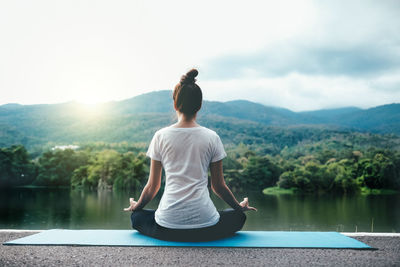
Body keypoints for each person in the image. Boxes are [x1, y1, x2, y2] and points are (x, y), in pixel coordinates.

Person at [124, 69, 256, 242]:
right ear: (199, 105)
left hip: (167, 227)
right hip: (206, 227)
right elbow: (218, 186)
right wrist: (239, 208)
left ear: (175, 104)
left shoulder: (160, 136)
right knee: (238, 217)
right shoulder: (212, 137)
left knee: (137, 217)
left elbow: (153, 186)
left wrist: (137, 207)